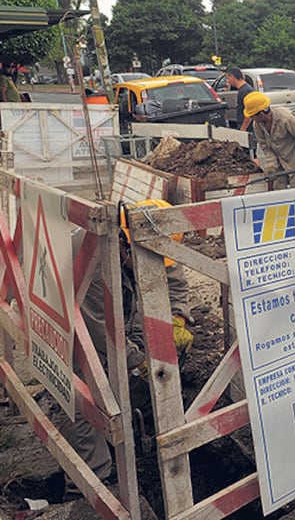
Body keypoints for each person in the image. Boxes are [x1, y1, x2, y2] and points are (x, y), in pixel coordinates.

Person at [65, 199, 195, 486]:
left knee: (138, 344)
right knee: (84, 388)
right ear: (124, 243)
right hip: (72, 321)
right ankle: (95, 481)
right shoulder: (92, 261)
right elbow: (101, 332)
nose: (156, 264)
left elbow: (174, 280)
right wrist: (139, 363)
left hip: (120, 305)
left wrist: (178, 318)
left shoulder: (146, 234)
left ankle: (137, 410)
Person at [244, 91, 295, 190]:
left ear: (261, 113)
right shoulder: (257, 126)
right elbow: (265, 148)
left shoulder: (285, 118)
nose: (251, 118)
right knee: (278, 189)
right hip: (279, 161)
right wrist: (271, 165)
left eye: (252, 115)